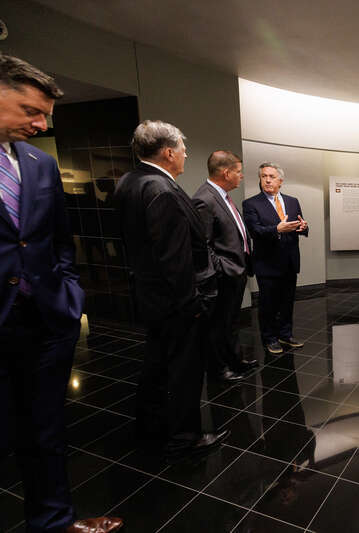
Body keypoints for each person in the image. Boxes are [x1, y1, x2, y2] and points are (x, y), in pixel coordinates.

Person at [0, 54, 123, 533]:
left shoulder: (40, 163)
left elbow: (58, 239)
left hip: (46, 318)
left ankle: (53, 521)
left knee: (46, 430)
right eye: (31, 110)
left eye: (45, 114)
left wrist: (70, 296)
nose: (41, 124)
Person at [116, 120, 226, 459]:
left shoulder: (128, 182)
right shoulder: (162, 190)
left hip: (150, 296)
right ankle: (184, 436)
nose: (185, 155)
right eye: (182, 149)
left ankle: (150, 426)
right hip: (176, 302)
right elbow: (174, 259)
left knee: (157, 365)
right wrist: (192, 304)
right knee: (183, 372)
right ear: (168, 153)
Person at [192, 151, 258, 383]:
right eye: (238, 172)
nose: (241, 176)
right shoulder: (205, 199)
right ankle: (219, 369)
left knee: (230, 322)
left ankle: (235, 360)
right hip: (224, 276)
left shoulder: (222, 196)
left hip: (236, 272)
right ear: (226, 173)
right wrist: (223, 268)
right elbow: (202, 245)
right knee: (218, 325)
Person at [243, 162, 308, 355]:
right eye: (264, 176)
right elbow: (255, 232)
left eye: (272, 176)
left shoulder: (292, 201)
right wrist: (276, 229)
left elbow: (299, 225)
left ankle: (285, 335)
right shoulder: (251, 204)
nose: (267, 180)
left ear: (281, 180)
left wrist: (304, 228)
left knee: (287, 303)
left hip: (290, 261)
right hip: (267, 263)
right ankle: (270, 338)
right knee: (268, 304)